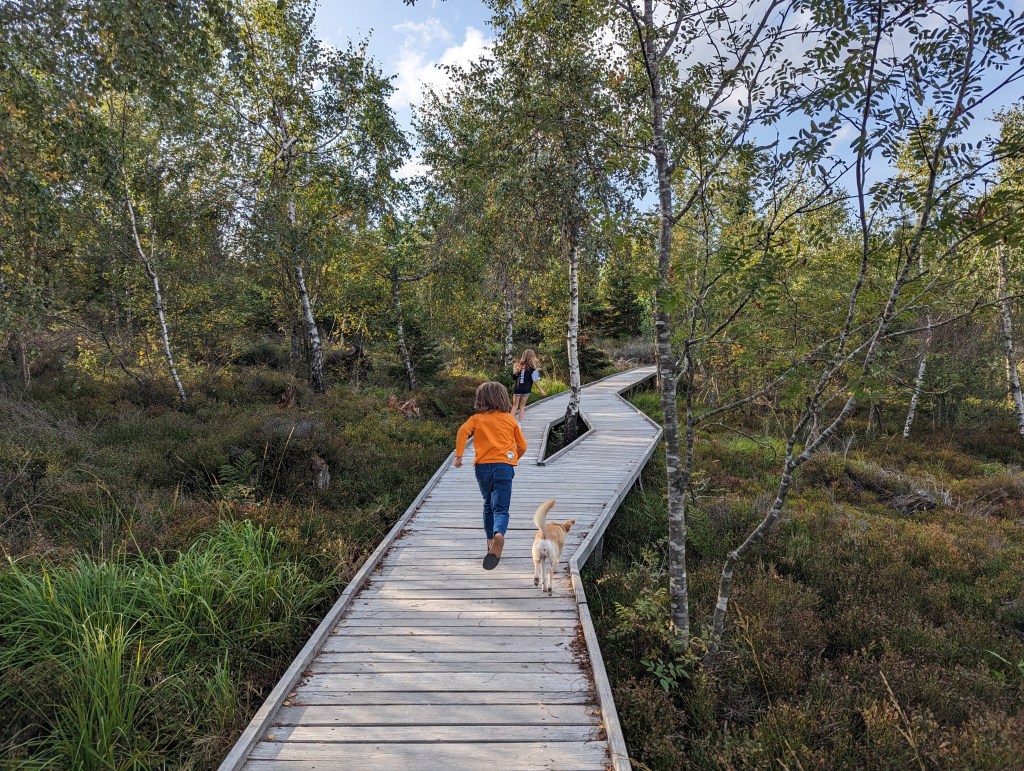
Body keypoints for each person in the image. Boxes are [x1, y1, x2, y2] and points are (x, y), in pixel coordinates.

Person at [454, 381, 527, 570]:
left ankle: (489, 542)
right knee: (501, 508)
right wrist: (513, 459)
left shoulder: (477, 419)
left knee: (488, 504)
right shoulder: (510, 419)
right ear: (503, 398)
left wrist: (459, 456)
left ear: (481, 399)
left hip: (483, 468)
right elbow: (523, 446)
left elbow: (463, 431)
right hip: (504, 468)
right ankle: (499, 534)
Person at [511, 349, 547, 422]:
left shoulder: (517, 366)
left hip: (518, 389)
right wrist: (541, 390)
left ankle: (508, 423)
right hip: (526, 389)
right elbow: (535, 381)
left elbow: (514, 377)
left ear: (523, 356)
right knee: (522, 406)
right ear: (532, 357)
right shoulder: (533, 369)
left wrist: (515, 370)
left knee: (515, 406)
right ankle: (519, 423)